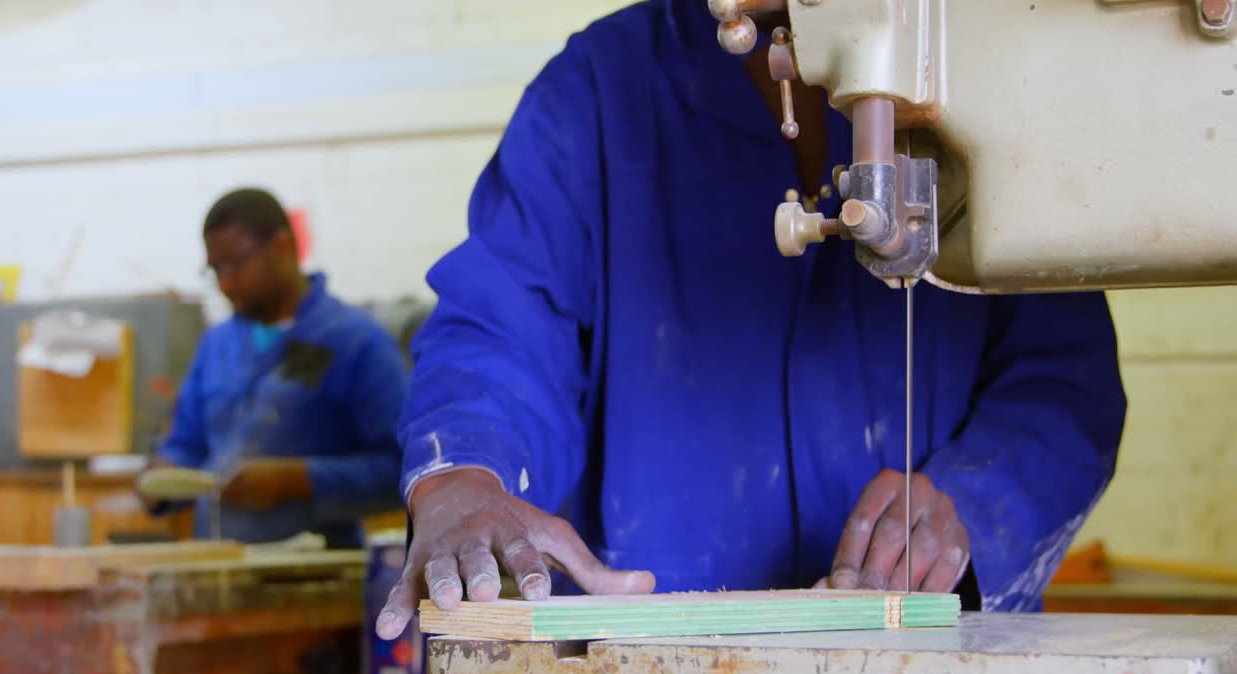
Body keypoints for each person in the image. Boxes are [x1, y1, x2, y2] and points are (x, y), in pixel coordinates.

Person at [377, 0, 1126, 639]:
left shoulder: (987, 66)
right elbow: (502, 326)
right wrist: (462, 474)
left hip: (928, 664)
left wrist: (973, 506)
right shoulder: (597, 91)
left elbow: (1063, 378)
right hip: (645, 670)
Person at [149, 188, 408, 548]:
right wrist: (162, 475)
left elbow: (403, 469)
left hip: (317, 571)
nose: (225, 283)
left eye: (235, 265)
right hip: (217, 565)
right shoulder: (216, 345)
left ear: (282, 246)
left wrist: (298, 479)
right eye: (215, 270)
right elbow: (186, 444)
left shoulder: (355, 342)